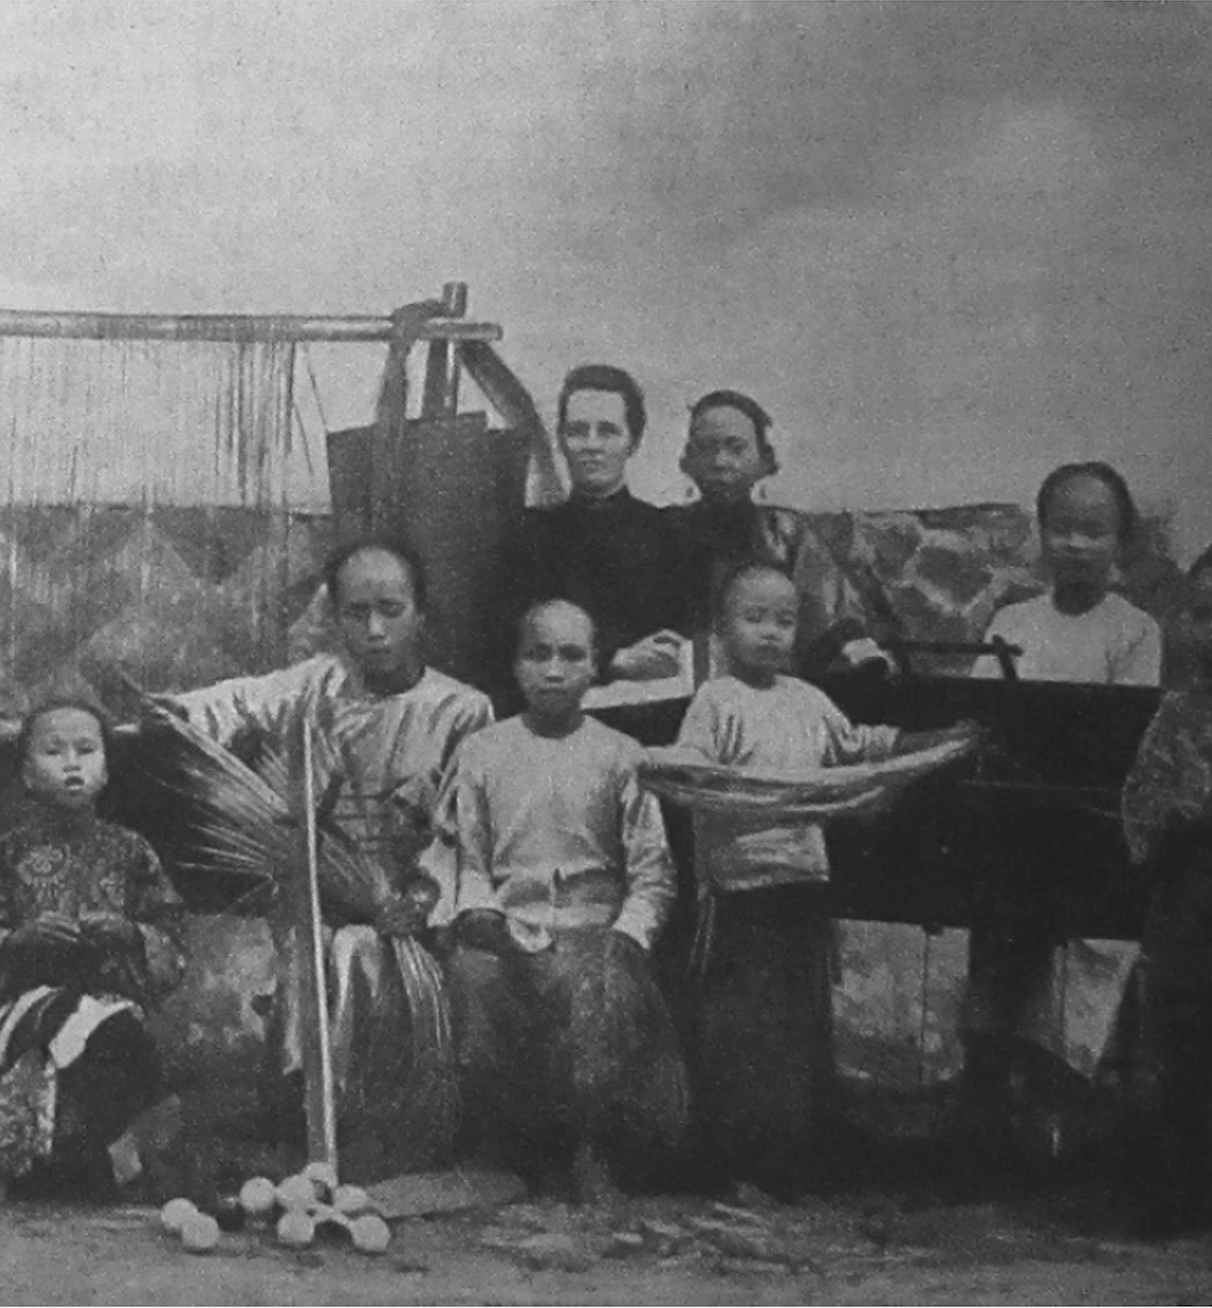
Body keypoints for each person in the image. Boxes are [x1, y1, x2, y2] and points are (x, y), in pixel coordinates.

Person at [156, 539, 492, 1175]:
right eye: (355, 612)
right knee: (322, 945)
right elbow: (234, 702)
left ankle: (375, 1131)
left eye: (391, 610)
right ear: (335, 619)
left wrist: (420, 901)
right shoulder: (316, 686)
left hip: (418, 907)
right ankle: (309, 1121)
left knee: (355, 953)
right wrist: (176, 713)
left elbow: (467, 831)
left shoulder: (460, 710)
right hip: (322, 891)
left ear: (421, 613)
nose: (373, 629)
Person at [673, 563, 958, 1195]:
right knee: (737, 1027)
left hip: (801, 885)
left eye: (785, 620)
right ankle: (730, 1162)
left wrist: (936, 743)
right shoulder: (715, 701)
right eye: (754, 618)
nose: (771, 633)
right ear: (721, 631)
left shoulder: (808, 700)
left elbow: (859, 747)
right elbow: (691, 771)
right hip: (738, 892)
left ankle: (786, 1160)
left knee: (796, 1024)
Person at [435, 599, 686, 1203]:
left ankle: (590, 1149)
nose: (553, 670)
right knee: (472, 977)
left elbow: (653, 873)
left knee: (594, 989)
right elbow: (467, 856)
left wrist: (626, 938)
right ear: (516, 666)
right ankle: (503, 1150)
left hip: (592, 930)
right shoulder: (483, 752)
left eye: (571, 656)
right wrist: (481, 913)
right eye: (537, 654)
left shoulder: (621, 754)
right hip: (508, 927)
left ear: (595, 667)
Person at [961, 462, 1164, 1127]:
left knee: (1079, 940)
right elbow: (976, 714)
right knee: (996, 921)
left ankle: (1058, 1101)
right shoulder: (1013, 619)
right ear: (1041, 535)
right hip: (1013, 825)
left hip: (1089, 832)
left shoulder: (1133, 631)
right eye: (1061, 529)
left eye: (1093, 531)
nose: (1075, 544)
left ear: (1119, 542)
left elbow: (1124, 738)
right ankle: (984, 1097)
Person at [0, 699, 186, 1199]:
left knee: (102, 1021)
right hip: (24, 1012)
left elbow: (170, 931)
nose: (72, 763)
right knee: (83, 1018)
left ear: (105, 771)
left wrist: (130, 933)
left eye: (86, 749)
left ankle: (59, 1163)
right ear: (28, 775)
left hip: (112, 1007)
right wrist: (17, 941)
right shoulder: (6, 853)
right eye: (54, 751)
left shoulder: (131, 851)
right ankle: (139, 1146)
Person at [1121, 545, 1212, 1235]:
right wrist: (1177, 821)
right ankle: (1182, 1189)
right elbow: (1144, 804)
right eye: (1208, 614)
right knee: (1182, 1041)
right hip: (1192, 895)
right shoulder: (1178, 715)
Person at [670, 390, 888, 672]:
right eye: (706, 449)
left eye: (736, 449)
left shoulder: (787, 534)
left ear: (765, 460)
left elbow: (830, 617)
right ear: (687, 461)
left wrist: (857, 651)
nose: (720, 462)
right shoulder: (666, 530)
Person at [511, 365, 698, 686]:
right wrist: (614, 660)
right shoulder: (529, 536)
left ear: (634, 441)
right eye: (578, 431)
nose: (591, 445)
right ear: (561, 439)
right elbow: (509, 644)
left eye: (608, 431)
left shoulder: (669, 534)